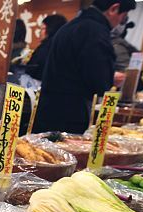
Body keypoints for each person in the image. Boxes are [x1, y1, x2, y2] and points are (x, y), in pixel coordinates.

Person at [34, 0, 135, 134]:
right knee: (63, 154)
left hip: (48, 110)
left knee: (45, 151)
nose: (122, 22)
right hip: (69, 116)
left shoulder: (73, 25)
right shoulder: (96, 31)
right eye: (124, 16)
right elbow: (100, 82)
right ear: (114, 9)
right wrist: (111, 78)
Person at [25, 14, 67, 81]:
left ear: (51, 29)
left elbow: (32, 69)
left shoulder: (45, 48)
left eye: (43, 28)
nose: (40, 32)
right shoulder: (67, 47)